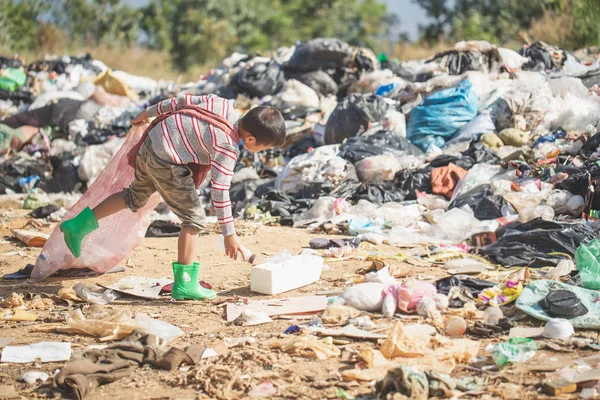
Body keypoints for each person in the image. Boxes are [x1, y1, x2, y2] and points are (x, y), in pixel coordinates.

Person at [58, 94, 286, 300]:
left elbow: (179, 101)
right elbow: (220, 192)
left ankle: (77, 225)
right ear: (251, 141)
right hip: (165, 161)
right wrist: (230, 235)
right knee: (194, 219)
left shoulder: (221, 103)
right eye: (263, 148)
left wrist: (145, 114)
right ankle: (185, 284)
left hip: (151, 142)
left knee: (134, 195)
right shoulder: (227, 148)